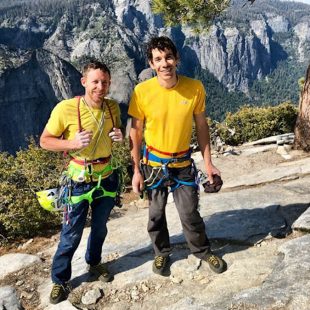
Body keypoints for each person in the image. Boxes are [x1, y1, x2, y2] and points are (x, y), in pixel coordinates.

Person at [128, 36, 227, 276]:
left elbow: (202, 127)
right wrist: (136, 171)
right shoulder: (142, 92)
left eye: (168, 57)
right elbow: (135, 132)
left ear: (177, 59)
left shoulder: (194, 88)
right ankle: (161, 253)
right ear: (151, 64)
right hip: (152, 165)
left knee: (189, 213)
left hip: (182, 162)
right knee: (155, 214)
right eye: (158, 59)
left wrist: (209, 164)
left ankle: (202, 251)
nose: (164, 64)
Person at [40, 60, 123, 304]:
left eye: (105, 82)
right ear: (84, 81)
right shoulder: (66, 108)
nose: (100, 87)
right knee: (71, 234)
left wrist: (119, 136)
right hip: (78, 180)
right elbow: (45, 141)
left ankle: (94, 262)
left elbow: (116, 132)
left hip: (106, 177)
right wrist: (71, 144)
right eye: (95, 81)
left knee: (100, 228)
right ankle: (60, 280)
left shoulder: (112, 108)